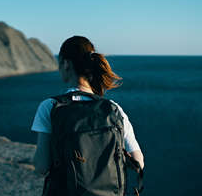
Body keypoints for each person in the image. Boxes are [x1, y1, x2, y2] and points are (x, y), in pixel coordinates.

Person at [31, 35, 144, 178]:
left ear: (66, 64)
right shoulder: (114, 109)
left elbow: (42, 166)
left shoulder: (51, 106)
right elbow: (138, 162)